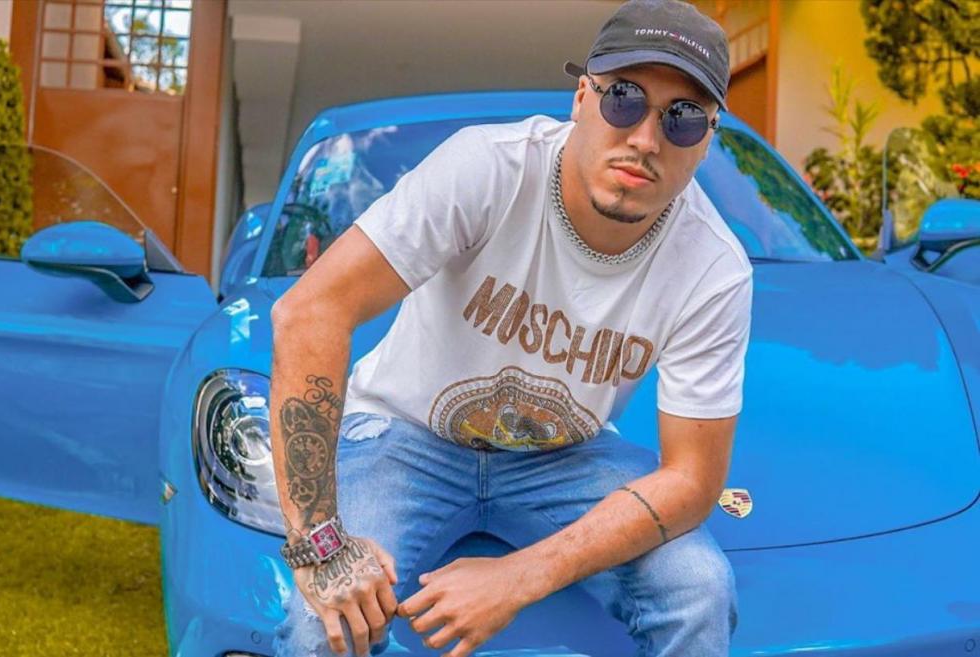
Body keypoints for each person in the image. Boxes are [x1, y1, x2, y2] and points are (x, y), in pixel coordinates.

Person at [269, 0, 751, 655]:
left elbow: (693, 479)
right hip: (404, 435)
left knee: (700, 589)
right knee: (320, 626)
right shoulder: (489, 168)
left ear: (709, 136)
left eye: (683, 117)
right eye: (624, 99)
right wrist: (320, 544)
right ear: (581, 97)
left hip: (565, 457)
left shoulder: (713, 268)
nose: (645, 138)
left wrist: (520, 577)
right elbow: (311, 309)